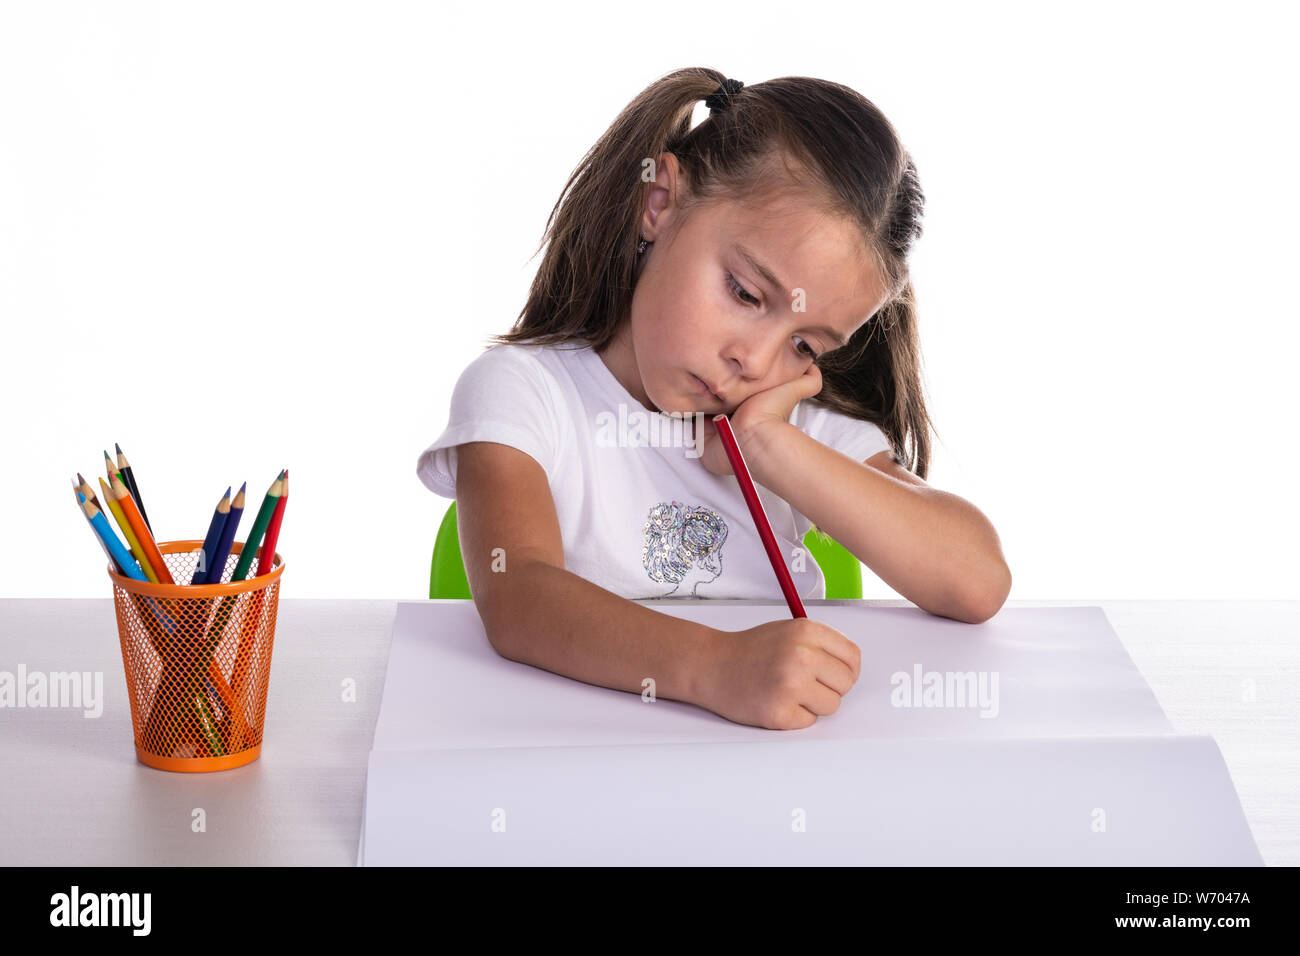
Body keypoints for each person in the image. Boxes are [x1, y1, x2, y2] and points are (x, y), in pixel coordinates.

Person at [416, 68, 1011, 730]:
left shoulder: (789, 423)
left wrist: (770, 448)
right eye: (746, 294)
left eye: (806, 346)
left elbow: (976, 581)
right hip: (584, 770)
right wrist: (716, 667)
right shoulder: (525, 393)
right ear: (661, 201)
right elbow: (518, 595)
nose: (755, 361)